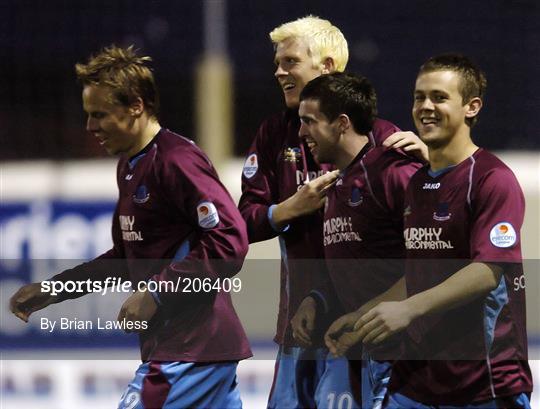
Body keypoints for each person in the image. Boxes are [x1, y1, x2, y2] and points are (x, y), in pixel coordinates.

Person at [9, 45, 251, 409]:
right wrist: (53, 290)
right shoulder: (129, 166)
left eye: (100, 114)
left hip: (189, 350)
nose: (90, 127)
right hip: (189, 350)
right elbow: (125, 258)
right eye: (88, 115)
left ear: (136, 106)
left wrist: (155, 293)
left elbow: (230, 240)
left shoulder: (176, 160)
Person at [238, 15, 426, 408]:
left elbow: (429, 240)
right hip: (301, 323)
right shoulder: (274, 134)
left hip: (369, 328)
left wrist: (435, 163)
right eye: (278, 62)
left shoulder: (384, 140)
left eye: (290, 61)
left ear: (326, 66)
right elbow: (243, 223)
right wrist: (289, 208)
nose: (278, 71)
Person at [327, 54, 533, 408]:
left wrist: (408, 310)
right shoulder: (417, 183)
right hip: (418, 381)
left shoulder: (492, 178)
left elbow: (487, 271)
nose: (425, 107)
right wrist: (363, 317)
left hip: (484, 382)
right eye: (419, 97)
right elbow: (419, 272)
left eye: (439, 97)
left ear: (472, 106)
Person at [292, 72, 421, 408]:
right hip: (372, 355)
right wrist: (317, 299)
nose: (301, 132)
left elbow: (435, 262)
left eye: (309, 121)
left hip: (412, 360)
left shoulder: (393, 173)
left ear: (342, 123)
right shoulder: (336, 186)